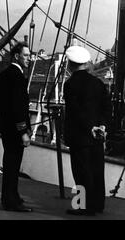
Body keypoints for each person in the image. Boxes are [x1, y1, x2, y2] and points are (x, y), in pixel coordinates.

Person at [63, 45, 111, 216]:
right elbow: (106, 108)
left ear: (71, 64)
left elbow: (76, 112)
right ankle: (98, 204)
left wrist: (89, 127)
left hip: (80, 137)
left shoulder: (70, 85)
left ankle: (83, 206)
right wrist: (101, 126)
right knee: (97, 170)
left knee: (81, 173)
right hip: (97, 136)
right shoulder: (98, 83)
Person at [0, 42, 33, 212]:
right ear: (17, 56)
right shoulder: (18, 77)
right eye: (26, 55)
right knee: (13, 165)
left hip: (6, 127)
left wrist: (7, 116)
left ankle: (12, 196)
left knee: (10, 164)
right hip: (16, 130)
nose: (29, 58)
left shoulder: (3, 75)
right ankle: (11, 201)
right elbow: (18, 107)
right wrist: (23, 131)